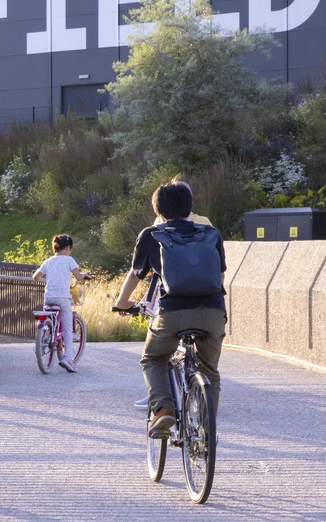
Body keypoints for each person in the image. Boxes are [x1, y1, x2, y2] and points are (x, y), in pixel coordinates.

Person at [114, 181, 227, 438]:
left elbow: (135, 275)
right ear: (190, 208)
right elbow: (219, 278)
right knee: (209, 372)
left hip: (172, 312)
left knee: (153, 358)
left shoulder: (151, 234)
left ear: (158, 211)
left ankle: (164, 408)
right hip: (212, 311)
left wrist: (122, 303)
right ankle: (205, 433)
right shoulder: (212, 233)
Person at [32, 234, 88, 372]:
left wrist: (46, 277)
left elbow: (35, 277)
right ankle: (67, 359)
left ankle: (45, 339)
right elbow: (79, 276)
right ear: (68, 248)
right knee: (68, 328)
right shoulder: (69, 260)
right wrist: (85, 275)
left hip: (48, 297)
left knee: (51, 320)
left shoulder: (48, 261)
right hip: (63, 298)